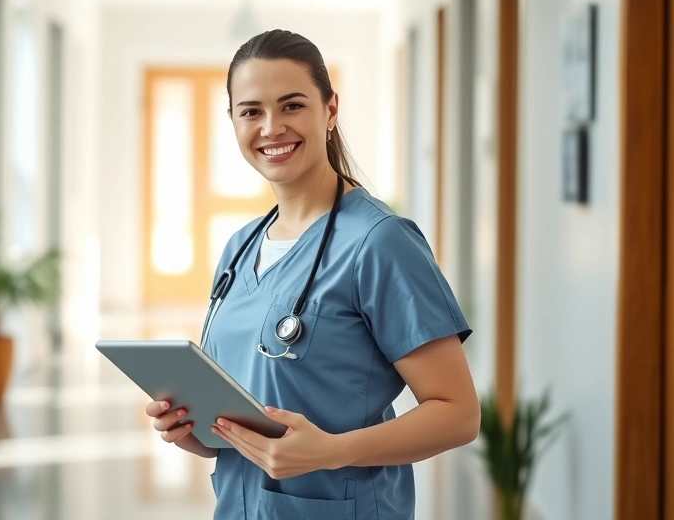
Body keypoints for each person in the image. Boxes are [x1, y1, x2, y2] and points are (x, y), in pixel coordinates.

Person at [144, 29, 480, 520]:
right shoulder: (241, 249)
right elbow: (243, 419)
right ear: (234, 123)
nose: (271, 127)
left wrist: (331, 451)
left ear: (330, 110)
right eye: (251, 111)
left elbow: (458, 413)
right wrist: (191, 432)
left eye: (292, 105)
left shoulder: (379, 242)